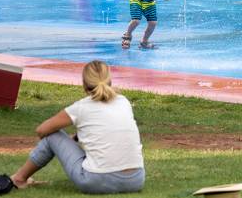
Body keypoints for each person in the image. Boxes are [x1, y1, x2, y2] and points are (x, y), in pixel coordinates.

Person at [10, 60, 145, 194]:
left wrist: (66, 142)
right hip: (136, 180)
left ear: (84, 85)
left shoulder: (81, 107)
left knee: (53, 135)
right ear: (110, 81)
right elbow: (108, 128)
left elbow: (42, 130)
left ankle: (19, 179)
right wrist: (75, 138)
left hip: (96, 181)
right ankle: (20, 178)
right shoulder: (123, 101)